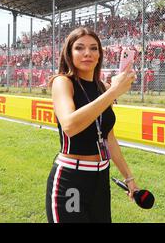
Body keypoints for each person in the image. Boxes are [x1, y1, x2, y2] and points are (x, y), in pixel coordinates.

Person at [46, 27, 139, 223]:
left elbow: (109, 138)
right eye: (79, 48)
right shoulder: (63, 82)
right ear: (69, 53)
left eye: (93, 48)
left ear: (99, 55)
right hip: (71, 177)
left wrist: (129, 177)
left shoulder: (102, 87)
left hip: (100, 177)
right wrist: (113, 93)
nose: (87, 53)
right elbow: (70, 126)